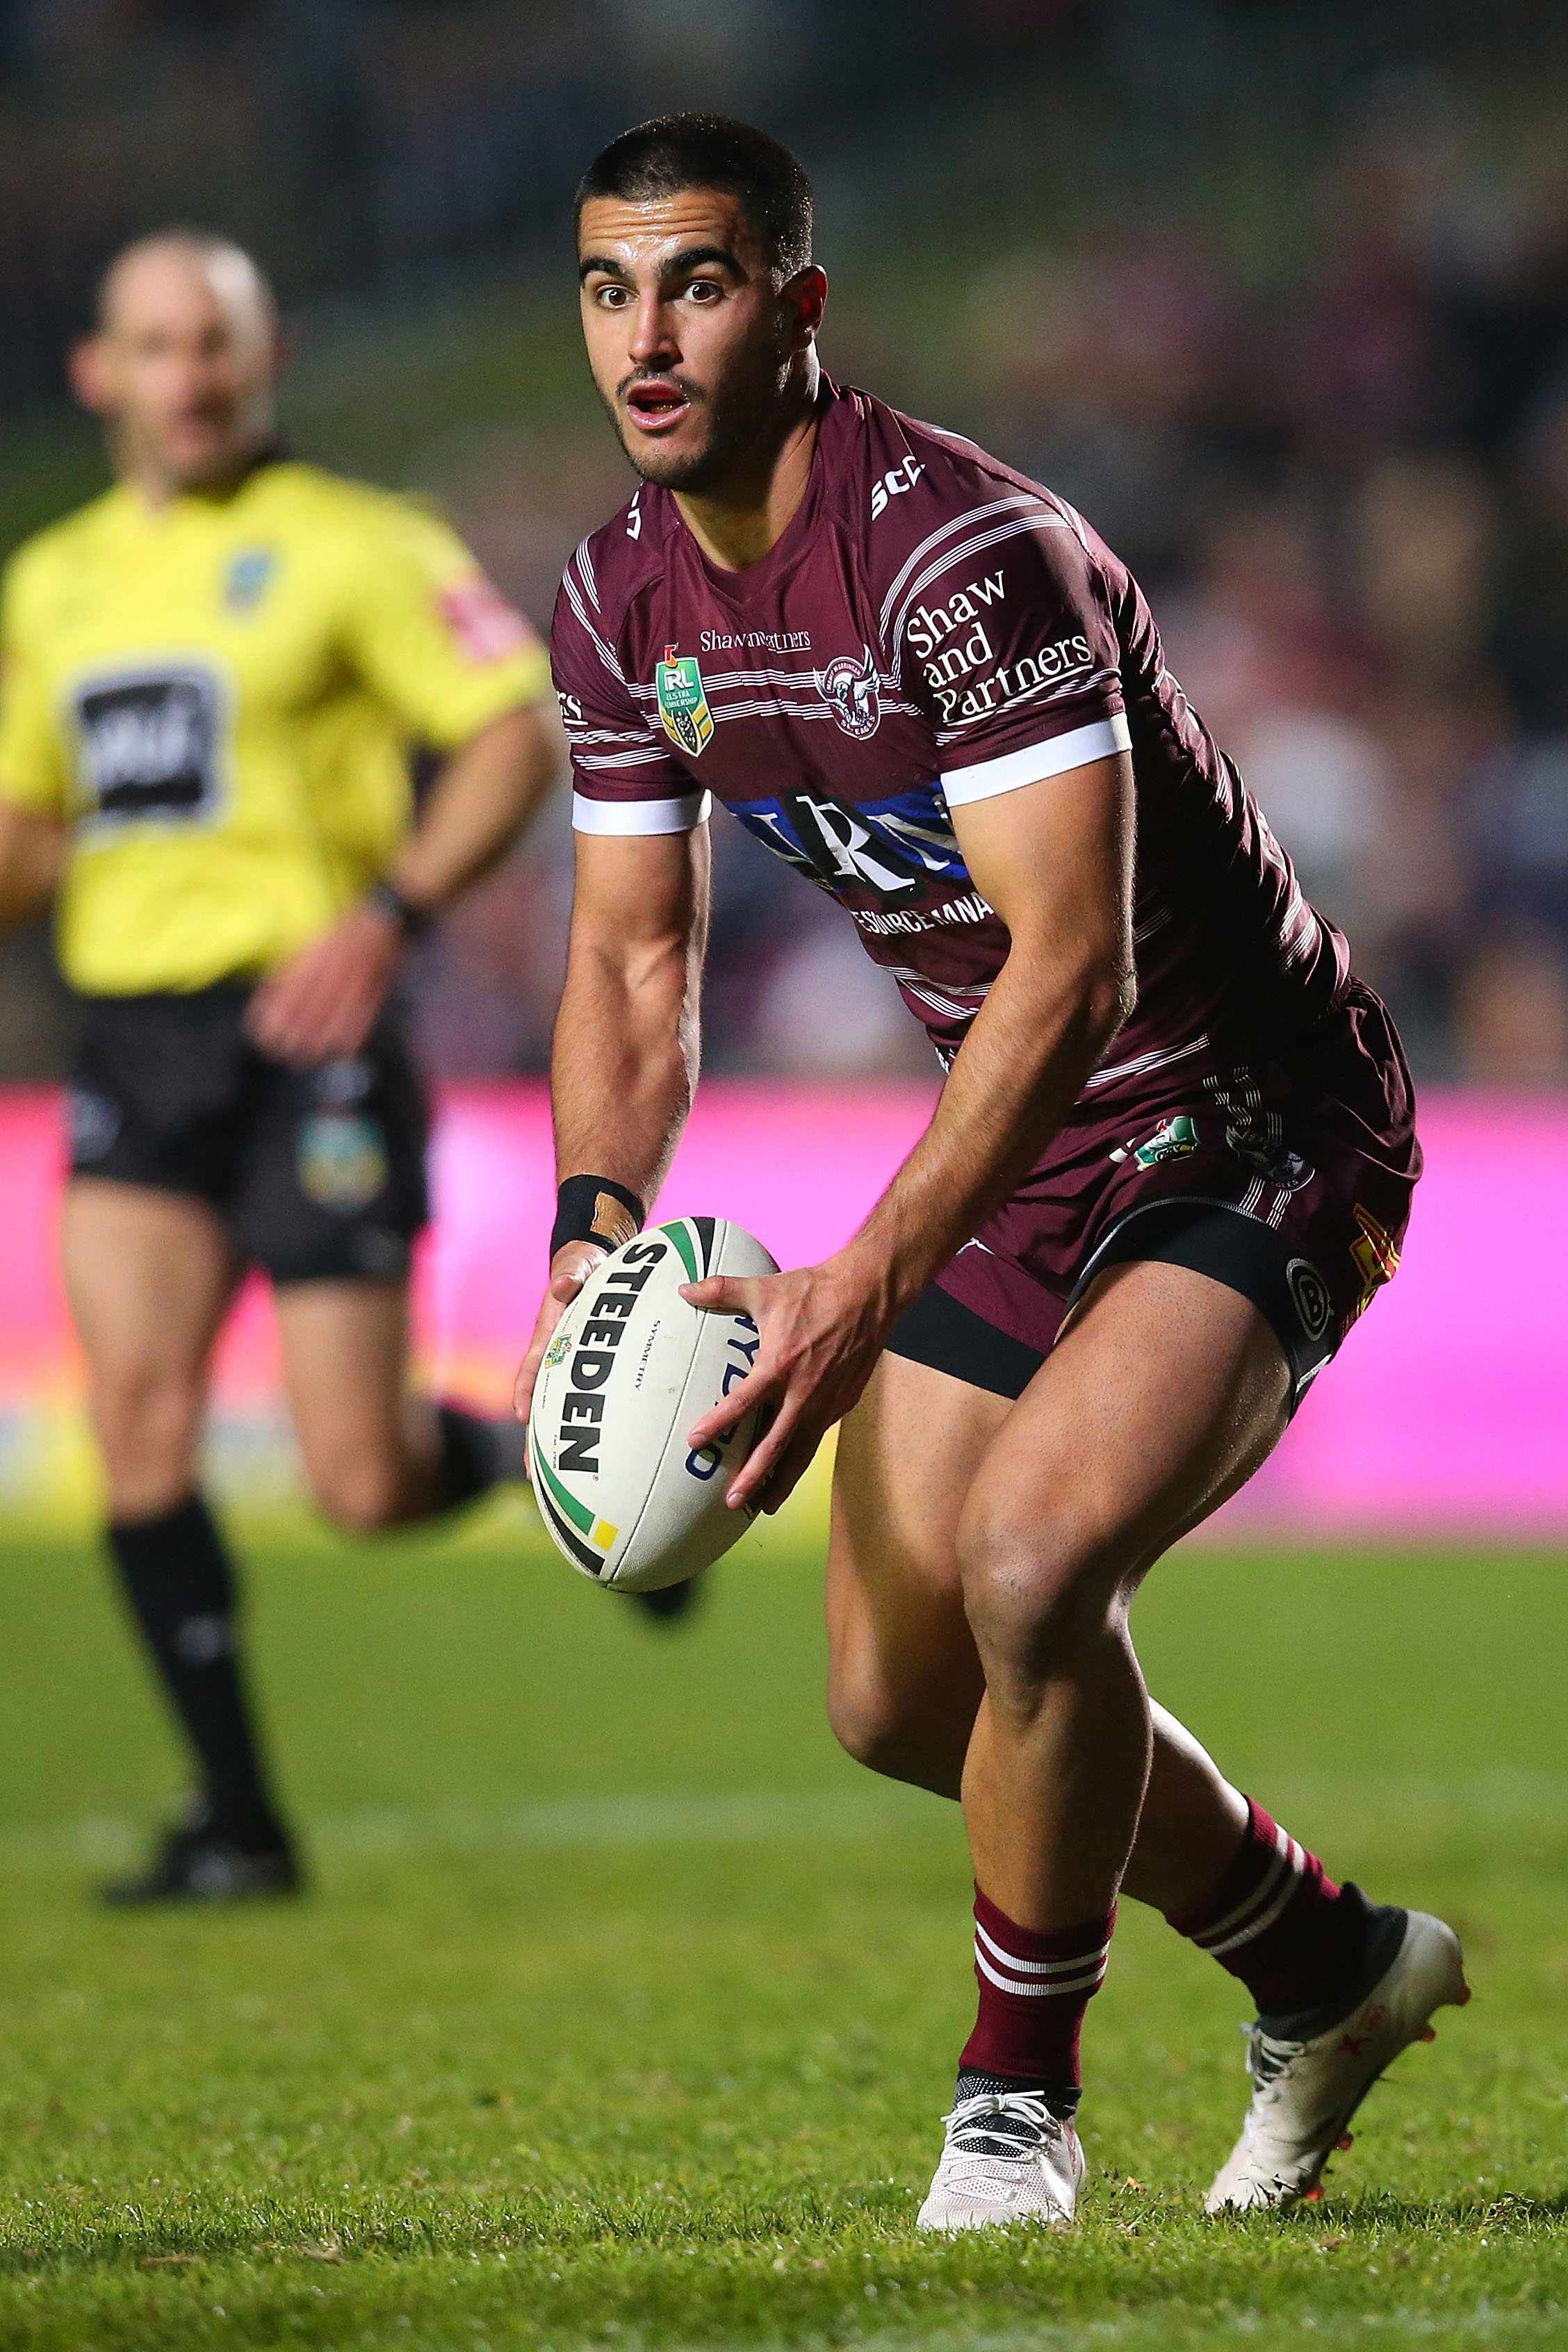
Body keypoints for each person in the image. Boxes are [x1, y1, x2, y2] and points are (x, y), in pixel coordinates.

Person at [516, 115, 1471, 2228]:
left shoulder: (962, 556)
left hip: (1248, 1108)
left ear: (800, 298)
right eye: (608, 288)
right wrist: (589, 1231)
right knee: (895, 1695)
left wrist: (858, 1284)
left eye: (699, 281)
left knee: (1036, 1569)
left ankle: (1010, 2110)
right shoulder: (611, 599)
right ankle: (1328, 1964)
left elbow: (1078, 960)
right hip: (1032, 1148)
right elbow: (631, 951)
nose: (647, 336)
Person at [0, 231, 569, 1904]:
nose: (189, 375)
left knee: (358, 1476)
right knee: (147, 1429)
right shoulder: (53, 584)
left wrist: (388, 917)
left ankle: (546, 1471)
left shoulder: (358, 547)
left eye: (217, 344)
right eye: (157, 346)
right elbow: (32, 828)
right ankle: (237, 1820)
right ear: (99, 374)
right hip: (136, 1038)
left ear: (268, 361)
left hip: (312, 1032)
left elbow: (511, 729)